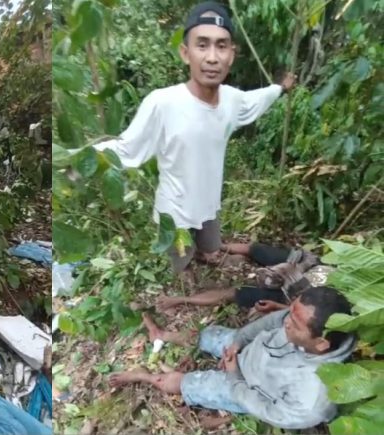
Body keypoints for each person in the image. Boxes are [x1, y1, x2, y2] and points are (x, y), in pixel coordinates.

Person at [91, 2, 296, 278]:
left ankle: (206, 253)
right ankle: (184, 271)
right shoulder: (163, 103)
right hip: (174, 209)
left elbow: (257, 100)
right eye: (202, 45)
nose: (212, 57)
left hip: (208, 199)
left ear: (231, 55)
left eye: (221, 46)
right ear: (186, 53)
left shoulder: (232, 100)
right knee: (180, 256)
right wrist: (79, 159)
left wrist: (280, 89)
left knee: (210, 241)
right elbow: (127, 148)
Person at [109, 286, 355, 430]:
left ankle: (145, 376)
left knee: (182, 383)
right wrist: (238, 342)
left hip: (245, 386)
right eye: (289, 313)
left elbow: (265, 409)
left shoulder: (313, 397)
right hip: (248, 352)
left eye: (295, 323)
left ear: (321, 344)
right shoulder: (303, 323)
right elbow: (272, 321)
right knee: (206, 335)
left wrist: (234, 376)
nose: (286, 322)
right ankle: (162, 335)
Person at [156, 242, 324, 313]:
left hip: (293, 294)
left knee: (236, 293)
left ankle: (181, 299)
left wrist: (278, 307)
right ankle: (215, 247)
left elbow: (303, 312)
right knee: (256, 250)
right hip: (307, 265)